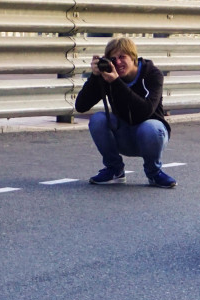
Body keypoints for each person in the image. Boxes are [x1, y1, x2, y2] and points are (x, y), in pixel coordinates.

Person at [74, 36, 176, 188]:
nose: (118, 63)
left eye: (122, 57)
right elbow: (81, 106)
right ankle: (114, 170)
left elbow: (145, 111)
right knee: (98, 119)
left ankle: (154, 173)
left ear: (133, 57)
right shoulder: (107, 76)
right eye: (113, 59)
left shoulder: (152, 74)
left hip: (149, 137)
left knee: (150, 127)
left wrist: (116, 82)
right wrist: (95, 77)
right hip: (123, 135)